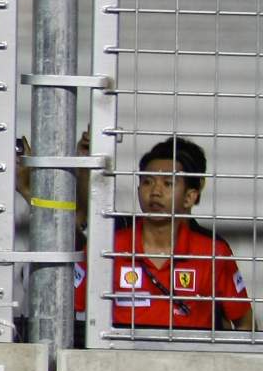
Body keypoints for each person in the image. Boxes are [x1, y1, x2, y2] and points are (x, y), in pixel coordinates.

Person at [105, 136, 253, 331]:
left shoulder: (212, 251)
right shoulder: (108, 245)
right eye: (148, 182)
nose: (155, 191)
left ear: (190, 197)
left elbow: (245, 323)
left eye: (168, 184)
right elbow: (74, 310)